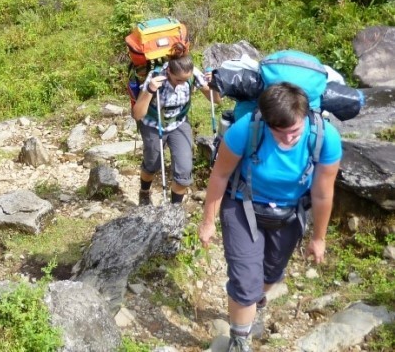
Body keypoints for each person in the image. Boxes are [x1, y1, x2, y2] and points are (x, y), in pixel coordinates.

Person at [198, 83, 342, 351]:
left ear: (305, 116)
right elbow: (219, 175)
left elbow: (323, 194)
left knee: (271, 274)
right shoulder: (247, 129)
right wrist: (208, 222)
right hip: (243, 204)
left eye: (294, 131)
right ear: (266, 121)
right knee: (244, 279)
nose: (288, 138)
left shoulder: (325, 137)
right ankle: (240, 340)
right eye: (280, 132)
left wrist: (318, 238)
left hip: (290, 211)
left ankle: (256, 303)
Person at [132, 42, 217, 205]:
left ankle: (174, 210)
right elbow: (137, 114)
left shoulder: (191, 75)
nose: (181, 84)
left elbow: (216, 100)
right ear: (168, 71)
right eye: (178, 80)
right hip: (153, 123)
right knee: (152, 164)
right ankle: (144, 192)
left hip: (178, 123)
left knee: (184, 172)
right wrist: (150, 90)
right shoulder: (155, 77)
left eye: (185, 80)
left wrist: (214, 84)